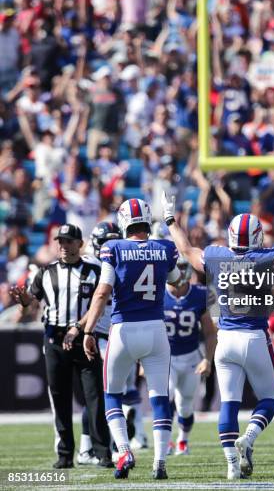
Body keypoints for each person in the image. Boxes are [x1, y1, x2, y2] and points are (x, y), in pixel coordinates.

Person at [162, 191, 274, 480]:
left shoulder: (217, 256)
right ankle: (249, 436)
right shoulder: (265, 260)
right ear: (257, 238)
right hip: (255, 337)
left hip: (225, 341)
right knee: (271, 397)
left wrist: (170, 219)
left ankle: (232, 466)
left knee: (229, 403)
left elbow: (186, 250)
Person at [82, 198, 180, 480]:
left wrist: (88, 330)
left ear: (124, 221)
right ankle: (160, 461)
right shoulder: (164, 248)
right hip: (155, 329)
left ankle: (124, 451)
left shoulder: (114, 248)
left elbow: (101, 294)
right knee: (160, 397)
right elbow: (178, 281)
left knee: (112, 393)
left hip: (124, 329)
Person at [10, 223, 112, 469]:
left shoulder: (93, 269)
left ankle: (102, 452)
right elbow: (31, 303)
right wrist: (23, 300)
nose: (64, 246)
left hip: (84, 338)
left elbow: (100, 303)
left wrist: (79, 327)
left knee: (95, 396)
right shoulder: (46, 272)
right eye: (61, 241)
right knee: (59, 398)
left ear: (80, 244)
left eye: (69, 241)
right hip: (54, 339)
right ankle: (65, 453)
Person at [77, 220, 122, 465]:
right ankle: (89, 447)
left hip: (111, 334)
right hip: (97, 336)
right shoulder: (92, 266)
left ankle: (97, 445)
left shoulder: (115, 262)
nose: (110, 246)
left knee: (106, 394)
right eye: (106, 242)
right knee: (100, 395)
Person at [164, 256, 217, 455]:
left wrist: (207, 359)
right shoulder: (157, 294)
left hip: (191, 357)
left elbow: (210, 333)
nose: (179, 271)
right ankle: (166, 439)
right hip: (165, 358)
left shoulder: (199, 295)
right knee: (165, 395)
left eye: (182, 267)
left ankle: (183, 440)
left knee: (185, 405)